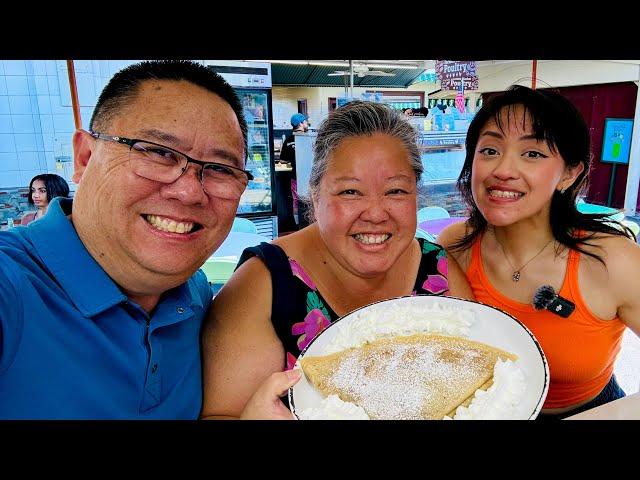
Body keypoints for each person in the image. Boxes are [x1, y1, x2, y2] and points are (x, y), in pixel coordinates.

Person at [0, 60, 258, 419]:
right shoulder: (12, 286)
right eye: (157, 152)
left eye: (219, 169)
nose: (188, 192)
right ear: (85, 157)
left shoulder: (194, 293)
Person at [201, 100, 474, 419]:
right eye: (350, 192)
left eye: (396, 191)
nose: (375, 213)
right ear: (315, 196)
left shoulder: (438, 271)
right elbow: (223, 413)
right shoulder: (263, 284)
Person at [437, 85, 640, 419]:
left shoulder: (612, 261)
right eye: (489, 150)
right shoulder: (455, 245)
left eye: (532, 154)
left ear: (570, 174)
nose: (503, 169)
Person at [277, 113, 310, 232]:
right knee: (310, 200)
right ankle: (310, 225)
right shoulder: (308, 139)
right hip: (309, 177)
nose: (307, 124)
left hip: (295, 178)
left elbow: (282, 160)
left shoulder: (289, 140)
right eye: (306, 121)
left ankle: (298, 227)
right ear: (301, 123)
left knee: (296, 201)